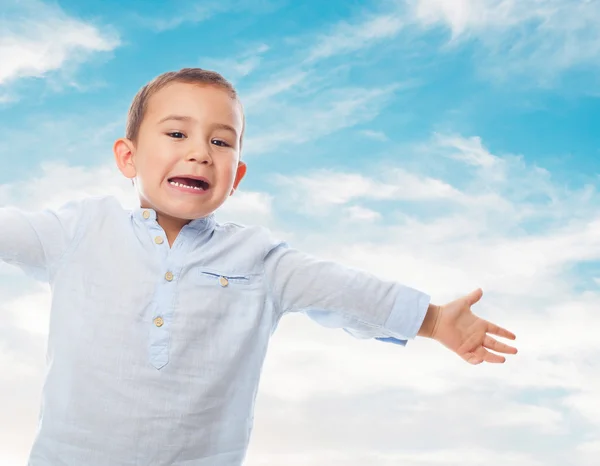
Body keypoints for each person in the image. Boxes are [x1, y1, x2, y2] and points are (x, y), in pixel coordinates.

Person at [0, 68, 517, 466]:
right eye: (177, 134)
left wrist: (432, 320)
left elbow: (345, 290)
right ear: (128, 157)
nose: (200, 152)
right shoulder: (78, 230)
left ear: (237, 174)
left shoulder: (260, 259)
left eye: (221, 142)